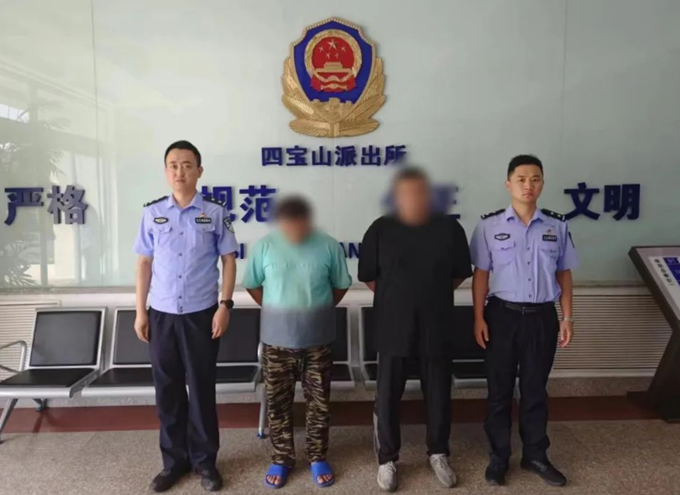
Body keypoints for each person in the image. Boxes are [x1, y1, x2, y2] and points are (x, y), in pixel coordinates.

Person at [358, 167, 473, 492]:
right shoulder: (380, 229)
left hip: (437, 325)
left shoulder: (449, 229)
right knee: (387, 397)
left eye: (420, 191)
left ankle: (438, 453)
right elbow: (369, 277)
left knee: (438, 395)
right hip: (392, 327)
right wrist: (400, 299)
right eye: (406, 192)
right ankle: (387, 459)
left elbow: (458, 274)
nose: (413, 198)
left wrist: (429, 296)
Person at [134, 140, 238, 492]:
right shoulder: (152, 213)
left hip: (201, 315)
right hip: (161, 314)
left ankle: (205, 462)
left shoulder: (215, 212)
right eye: (173, 165)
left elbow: (228, 260)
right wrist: (140, 311)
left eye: (187, 165)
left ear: (199, 171)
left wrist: (225, 305)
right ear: (166, 172)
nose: (180, 171)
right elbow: (144, 263)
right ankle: (173, 462)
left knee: (202, 388)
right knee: (168, 390)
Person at [469, 154, 578, 487]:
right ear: (508, 184)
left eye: (535, 179)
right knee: (499, 391)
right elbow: (481, 275)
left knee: (535, 389)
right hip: (501, 316)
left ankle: (535, 455)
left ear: (542, 184)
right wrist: (478, 317)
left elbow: (564, 274)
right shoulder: (489, 226)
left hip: (542, 317)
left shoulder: (557, 226)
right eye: (521, 179)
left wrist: (567, 317)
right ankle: (498, 458)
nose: (528, 185)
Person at [242, 196, 352, 489]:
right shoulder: (265, 246)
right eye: (287, 224)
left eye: (299, 223)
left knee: (319, 404)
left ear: (308, 221)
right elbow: (252, 284)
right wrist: (275, 309)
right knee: (278, 404)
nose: (293, 230)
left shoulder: (328, 246)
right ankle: (282, 458)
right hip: (276, 342)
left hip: (318, 341)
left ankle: (317, 456)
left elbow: (341, 285)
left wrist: (318, 309)